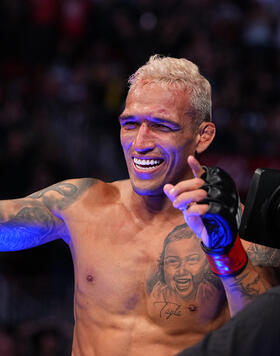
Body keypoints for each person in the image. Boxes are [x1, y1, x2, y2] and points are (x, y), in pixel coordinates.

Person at [1, 55, 280, 356]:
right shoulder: (83, 204)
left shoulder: (237, 225)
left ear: (202, 136)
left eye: (161, 126)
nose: (140, 142)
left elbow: (266, 337)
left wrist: (225, 249)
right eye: (130, 124)